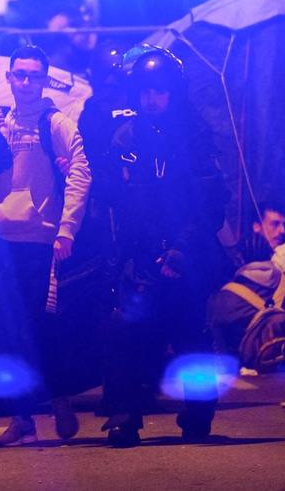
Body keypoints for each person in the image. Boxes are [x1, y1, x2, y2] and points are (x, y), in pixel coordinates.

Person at [84, 45, 229, 447]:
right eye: (146, 90)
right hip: (140, 253)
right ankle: (123, 416)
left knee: (191, 336)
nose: (152, 98)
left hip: (186, 253)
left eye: (160, 90)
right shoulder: (126, 135)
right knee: (125, 332)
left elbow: (209, 203)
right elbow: (111, 197)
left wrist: (183, 249)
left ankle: (199, 413)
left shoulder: (196, 138)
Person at [0, 45, 91, 446]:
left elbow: (81, 171)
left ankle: (58, 397)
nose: (26, 82)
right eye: (19, 74)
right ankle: (22, 413)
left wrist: (67, 229)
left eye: (33, 75)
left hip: (40, 238)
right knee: (7, 329)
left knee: (42, 324)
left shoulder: (55, 122)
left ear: (43, 79)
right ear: (9, 78)